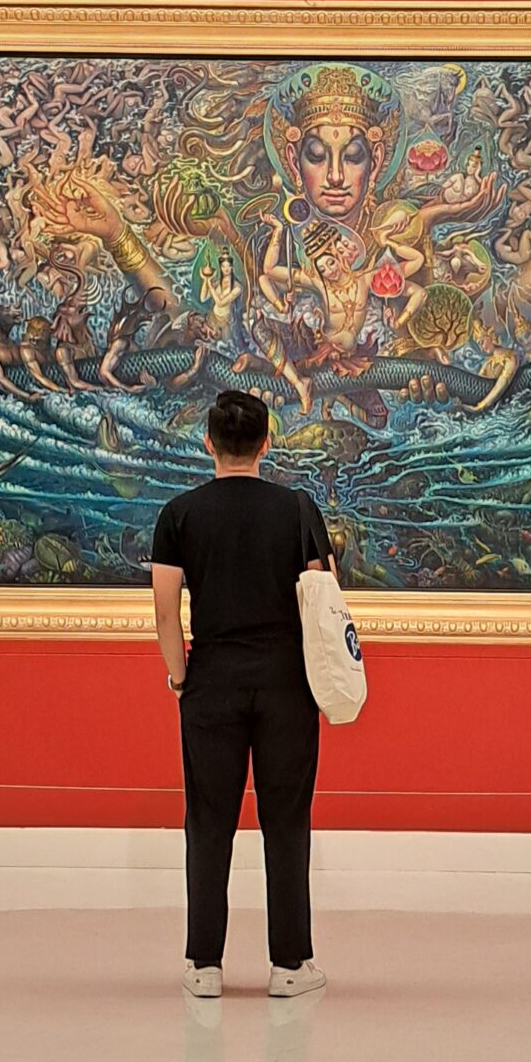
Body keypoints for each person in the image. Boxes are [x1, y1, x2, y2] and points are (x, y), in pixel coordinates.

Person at [150, 388, 335, 1001]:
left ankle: (205, 965)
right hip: (287, 684)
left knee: (208, 820)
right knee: (287, 820)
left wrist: (181, 676)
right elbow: (322, 600)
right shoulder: (298, 509)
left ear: (208, 443)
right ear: (266, 443)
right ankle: (290, 966)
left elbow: (166, 612)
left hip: (211, 682)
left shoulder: (179, 514)